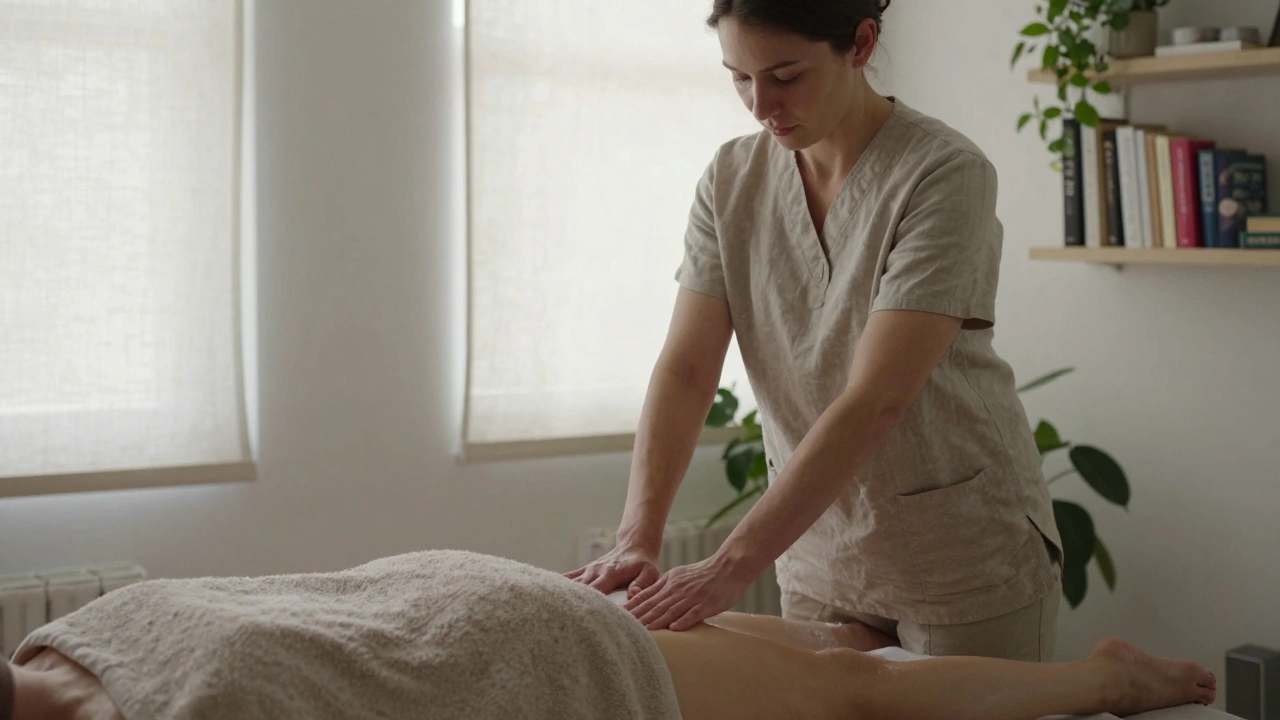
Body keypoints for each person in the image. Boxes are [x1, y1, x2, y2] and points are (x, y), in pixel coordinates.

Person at [566, 0, 1066, 661]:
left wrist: (727, 566)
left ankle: (1120, 677)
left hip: (960, 555)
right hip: (817, 552)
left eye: (785, 75)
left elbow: (877, 399)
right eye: (739, 77)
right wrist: (637, 536)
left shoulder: (944, 173)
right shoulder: (729, 179)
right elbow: (687, 370)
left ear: (859, 44)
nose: (759, 104)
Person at [0, 550, 1217, 720]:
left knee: (847, 699)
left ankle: (1098, 681)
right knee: (833, 660)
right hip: (446, 587)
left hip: (509, 642)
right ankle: (824, 636)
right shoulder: (103, 625)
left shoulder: (158, 710)